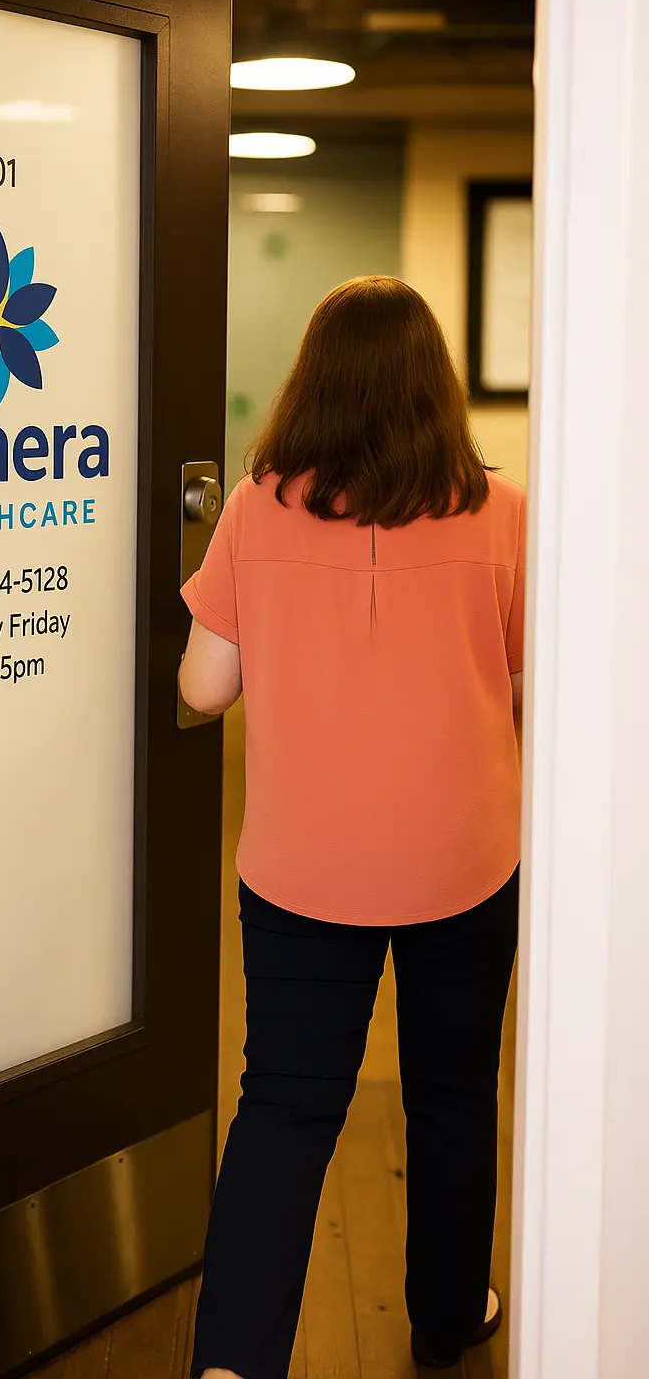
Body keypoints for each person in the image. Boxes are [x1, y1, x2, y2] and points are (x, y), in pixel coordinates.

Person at [179, 276, 524, 1378]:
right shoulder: (503, 512)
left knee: (282, 1105)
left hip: (298, 868)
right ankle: (443, 1311)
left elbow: (202, 689)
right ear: (436, 385)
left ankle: (232, 1362)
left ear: (311, 380)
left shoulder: (252, 508)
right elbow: (523, 681)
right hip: (464, 861)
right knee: (455, 1090)